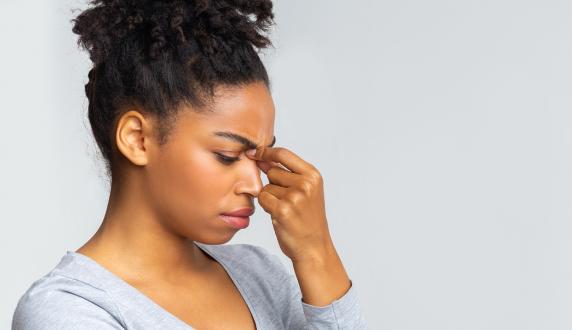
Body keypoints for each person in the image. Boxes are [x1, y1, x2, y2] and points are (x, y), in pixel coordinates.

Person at [11, 0, 368, 329]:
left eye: (259, 158)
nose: (255, 186)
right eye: (227, 156)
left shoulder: (262, 276)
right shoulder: (68, 309)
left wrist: (317, 253)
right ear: (137, 139)